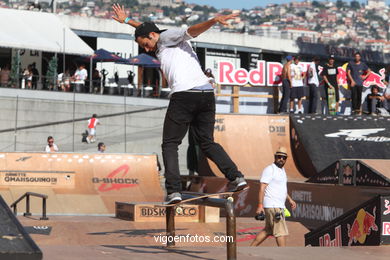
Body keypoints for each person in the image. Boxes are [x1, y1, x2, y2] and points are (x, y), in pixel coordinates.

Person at [112, 4, 247, 204]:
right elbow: (145, 27)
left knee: (170, 144)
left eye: (144, 44)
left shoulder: (167, 37)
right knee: (206, 142)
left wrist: (212, 21)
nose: (145, 49)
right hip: (206, 94)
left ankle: (174, 191)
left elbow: (190, 31)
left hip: (185, 95)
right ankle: (236, 177)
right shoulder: (158, 38)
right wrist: (126, 21)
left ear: (152, 35)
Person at [250, 147, 296, 247]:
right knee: (280, 232)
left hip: (277, 205)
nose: (281, 159)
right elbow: (262, 188)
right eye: (279, 157)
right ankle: (283, 256)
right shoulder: (270, 169)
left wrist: (290, 199)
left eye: (284, 158)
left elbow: (282, 189)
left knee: (268, 230)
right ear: (275, 157)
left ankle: (250, 249)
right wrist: (260, 205)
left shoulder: (282, 170)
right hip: (273, 206)